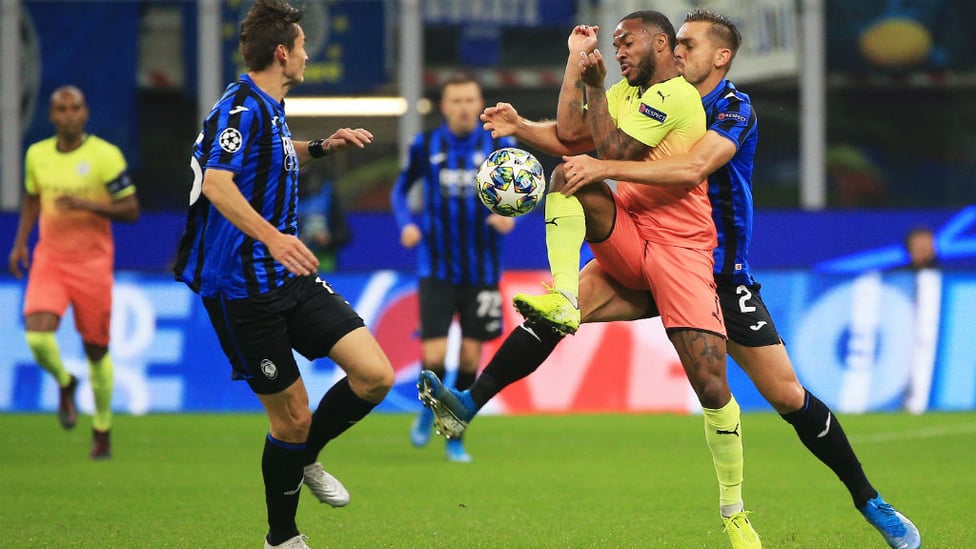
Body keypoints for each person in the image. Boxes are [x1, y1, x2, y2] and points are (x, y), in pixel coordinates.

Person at [553, 10, 921, 549]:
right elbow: (584, 136)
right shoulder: (651, 98)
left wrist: (604, 164)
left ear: (721, 56)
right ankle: (471, 399)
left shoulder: (731, 107)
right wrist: (529, 127)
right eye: (674, 43)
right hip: (665, 258)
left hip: (723, 273)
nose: (677, 51)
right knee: (558, 314)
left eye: (689, 43)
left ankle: (870, 500)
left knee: (787, 395)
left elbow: (689, 167)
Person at [418, 11, 762, 548]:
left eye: (627, 42)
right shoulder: (623, 91)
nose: (619, 51)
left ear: (660, 43)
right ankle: (471, 400)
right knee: (567, 178)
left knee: (713, 387)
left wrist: (595, 87)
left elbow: (614, 152)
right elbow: (576, 134)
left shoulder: (675, 96)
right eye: (615, 44)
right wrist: (571, 68)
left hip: (682, 250)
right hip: (630, 233)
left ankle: (734, 512)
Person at [171, 2, 394, 548]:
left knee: (375, 376)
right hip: (241, 289)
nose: (307, 54)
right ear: (282, 53)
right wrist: (274, 236)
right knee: (290, 419)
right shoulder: (239, 109)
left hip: (286, 278)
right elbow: (220, 184)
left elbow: (271, 156)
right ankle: (282, 537)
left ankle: (307, 455)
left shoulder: (268, 109)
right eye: (301, 46)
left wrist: (320, 147)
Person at [7, 85, 140, 460]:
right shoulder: (37, 155)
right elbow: (33, 196)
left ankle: (101, 428)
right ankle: (66, 383)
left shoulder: (105, 156)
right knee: (36, 337)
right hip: (50, 259)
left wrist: (87, 204)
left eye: (75, 108)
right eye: (61, 109)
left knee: (96, 349)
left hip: (92, 264)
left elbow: (130, 209)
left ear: (84, 114)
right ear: (52, 116)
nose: (68, 114)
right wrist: (20, 243)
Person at [391, 73, 517, 463]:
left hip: (482, 269)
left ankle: (455, 435)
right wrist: (406, 224)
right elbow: (400, 189)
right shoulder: (425, 145)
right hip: (437, 267)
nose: (464, 107)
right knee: (434, 356)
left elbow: (522, 192)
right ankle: (427, 412)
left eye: (470, 100)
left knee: (467, 360)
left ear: (479, 104)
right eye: (456, 100)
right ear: (444, 106)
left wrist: (511, 216)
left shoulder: (499, 146)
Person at [298, 178, 350, 273]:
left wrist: (329, 239)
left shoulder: (327, 194)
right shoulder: (281, 194)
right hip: (293, 264)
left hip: (325, 266)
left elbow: (345, 234)